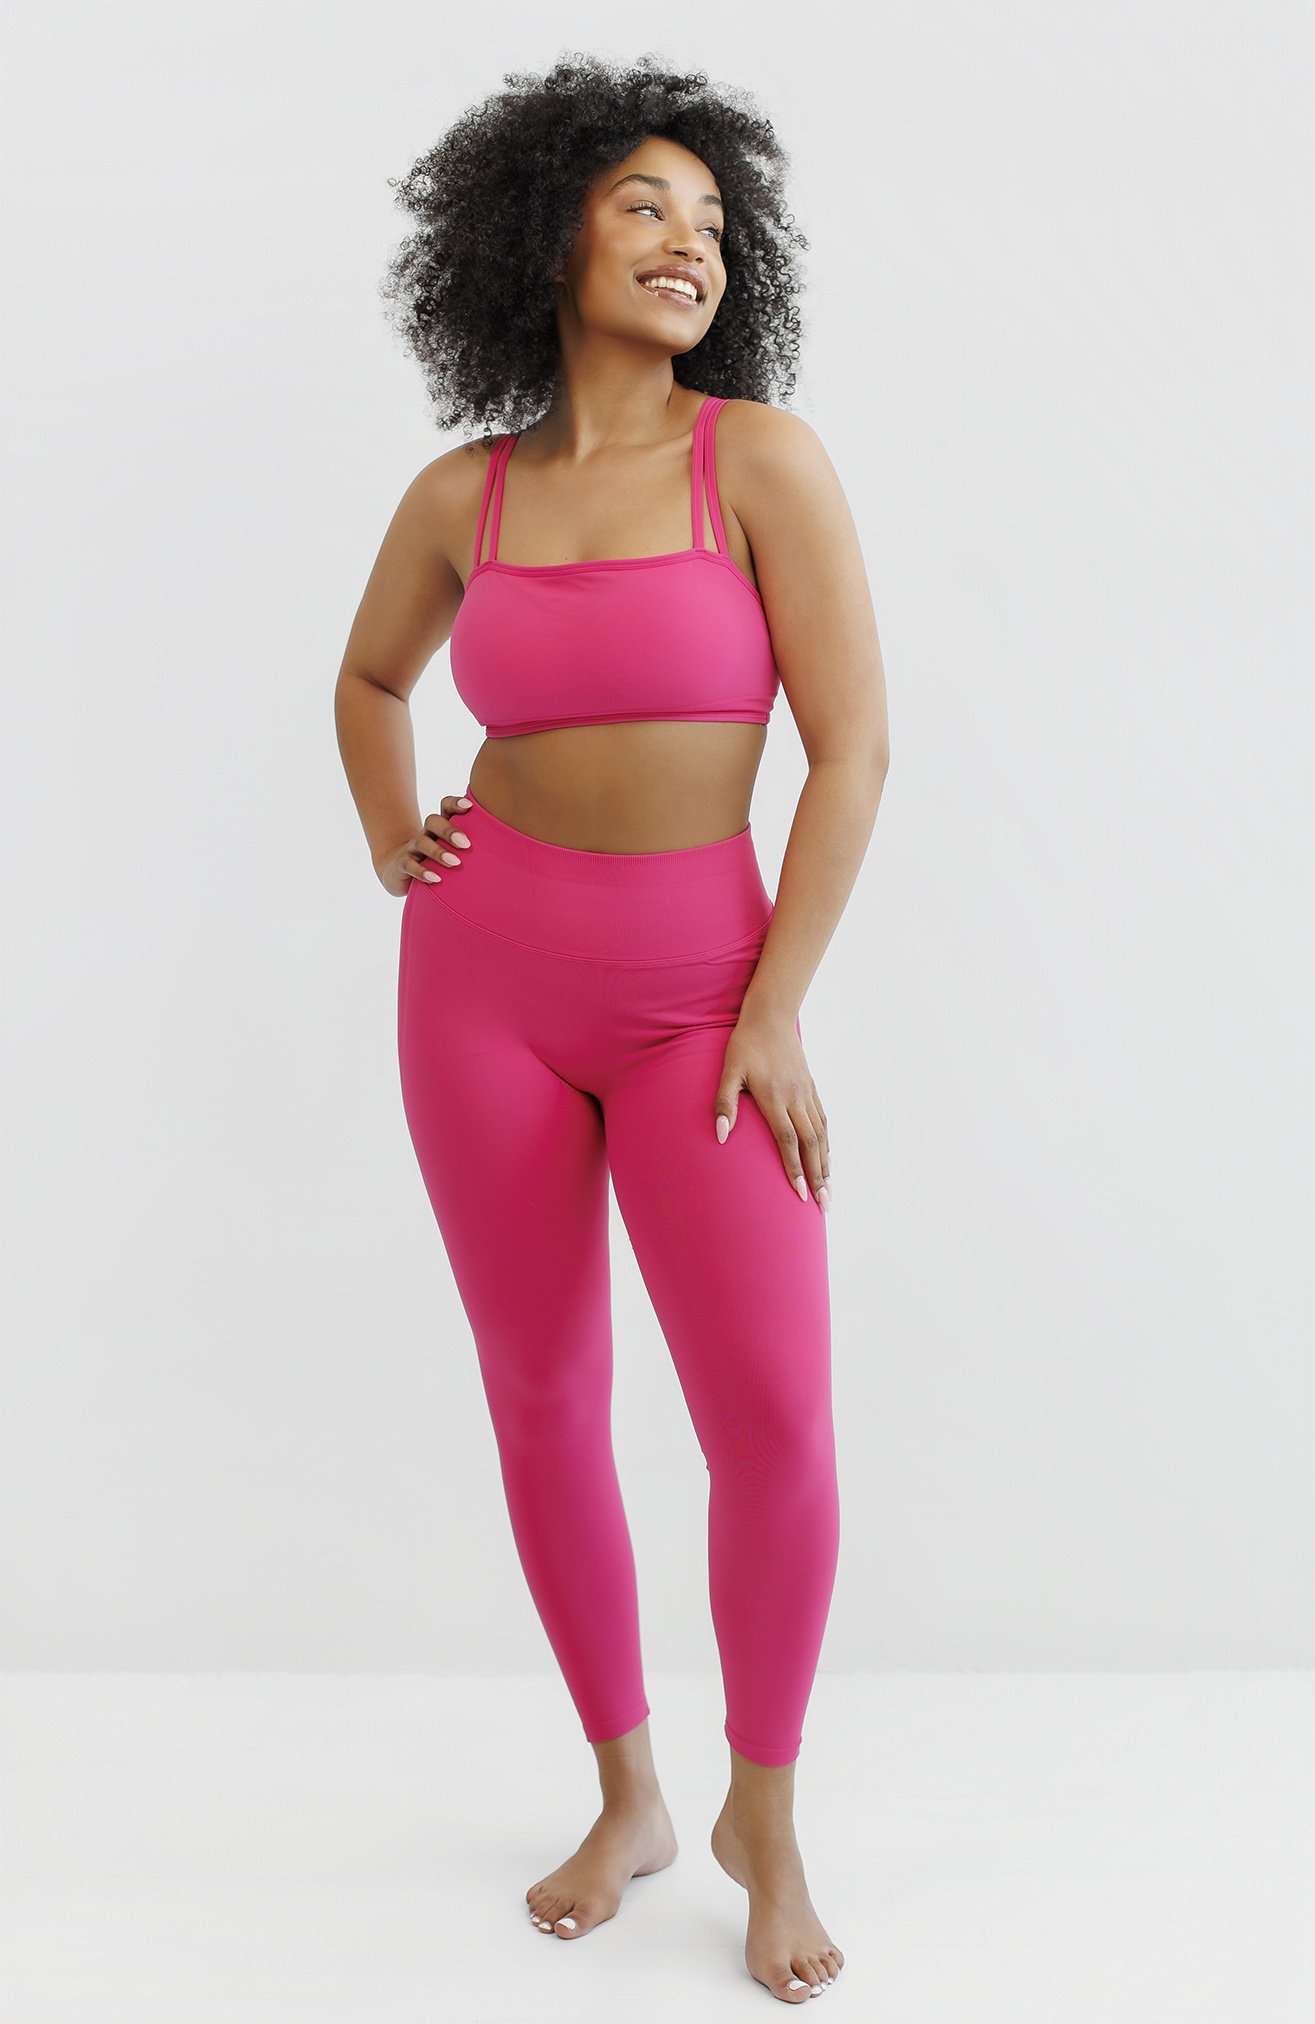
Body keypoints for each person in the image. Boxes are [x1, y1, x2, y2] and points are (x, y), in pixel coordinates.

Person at [335, 54, 888, 2008]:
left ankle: (765, 1807)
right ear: (544, 226)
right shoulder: (458, 494)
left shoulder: (760, 464)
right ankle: (629, 1785)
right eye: (646, 205)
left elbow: (851, 751)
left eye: (715, 224)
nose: (689, 245)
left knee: (772, 1418)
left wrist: (777, 1008)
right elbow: (371, 675)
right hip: (477, 982)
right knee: (545, 1390)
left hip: (699, 1002)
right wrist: (396, 835)